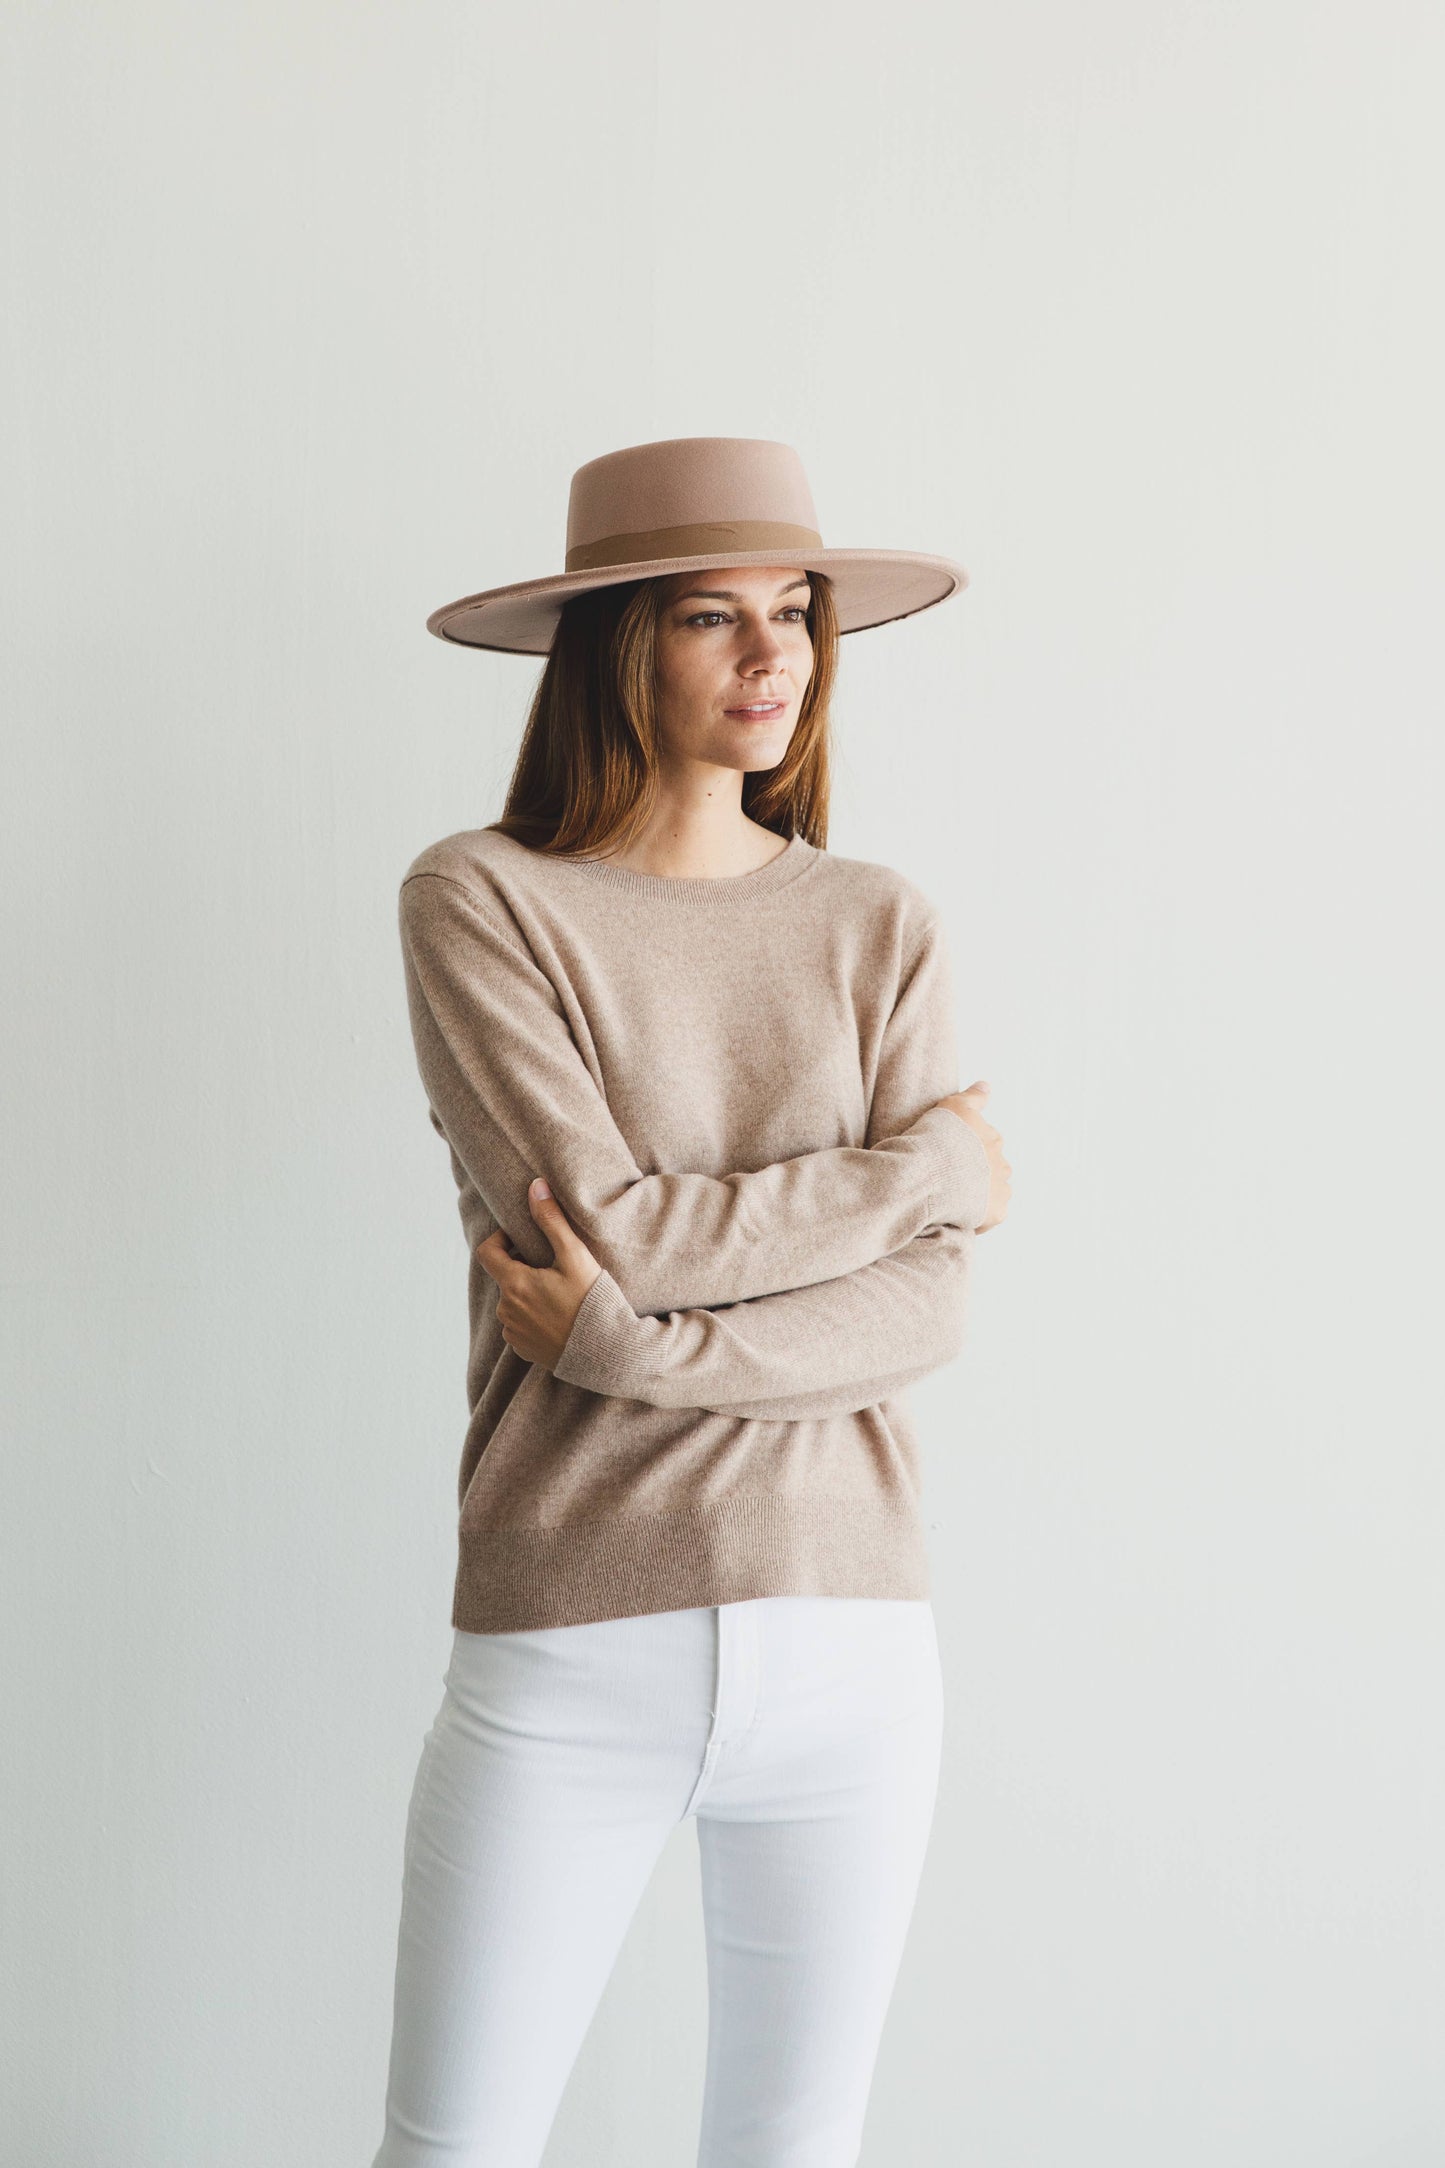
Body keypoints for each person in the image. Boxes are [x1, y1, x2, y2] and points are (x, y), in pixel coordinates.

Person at [371, 436, 1012, 2167]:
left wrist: (623, 1353)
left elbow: (925, 1317)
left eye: (795, 612)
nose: (772, 656)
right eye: (708, 619)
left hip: (857, 1630)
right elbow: (618, 1230)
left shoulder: (878, 922)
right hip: (574, 1629)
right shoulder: (486, 898)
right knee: (455, 2148)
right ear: (612, 651)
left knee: (793, 2153)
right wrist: (929, 1172)